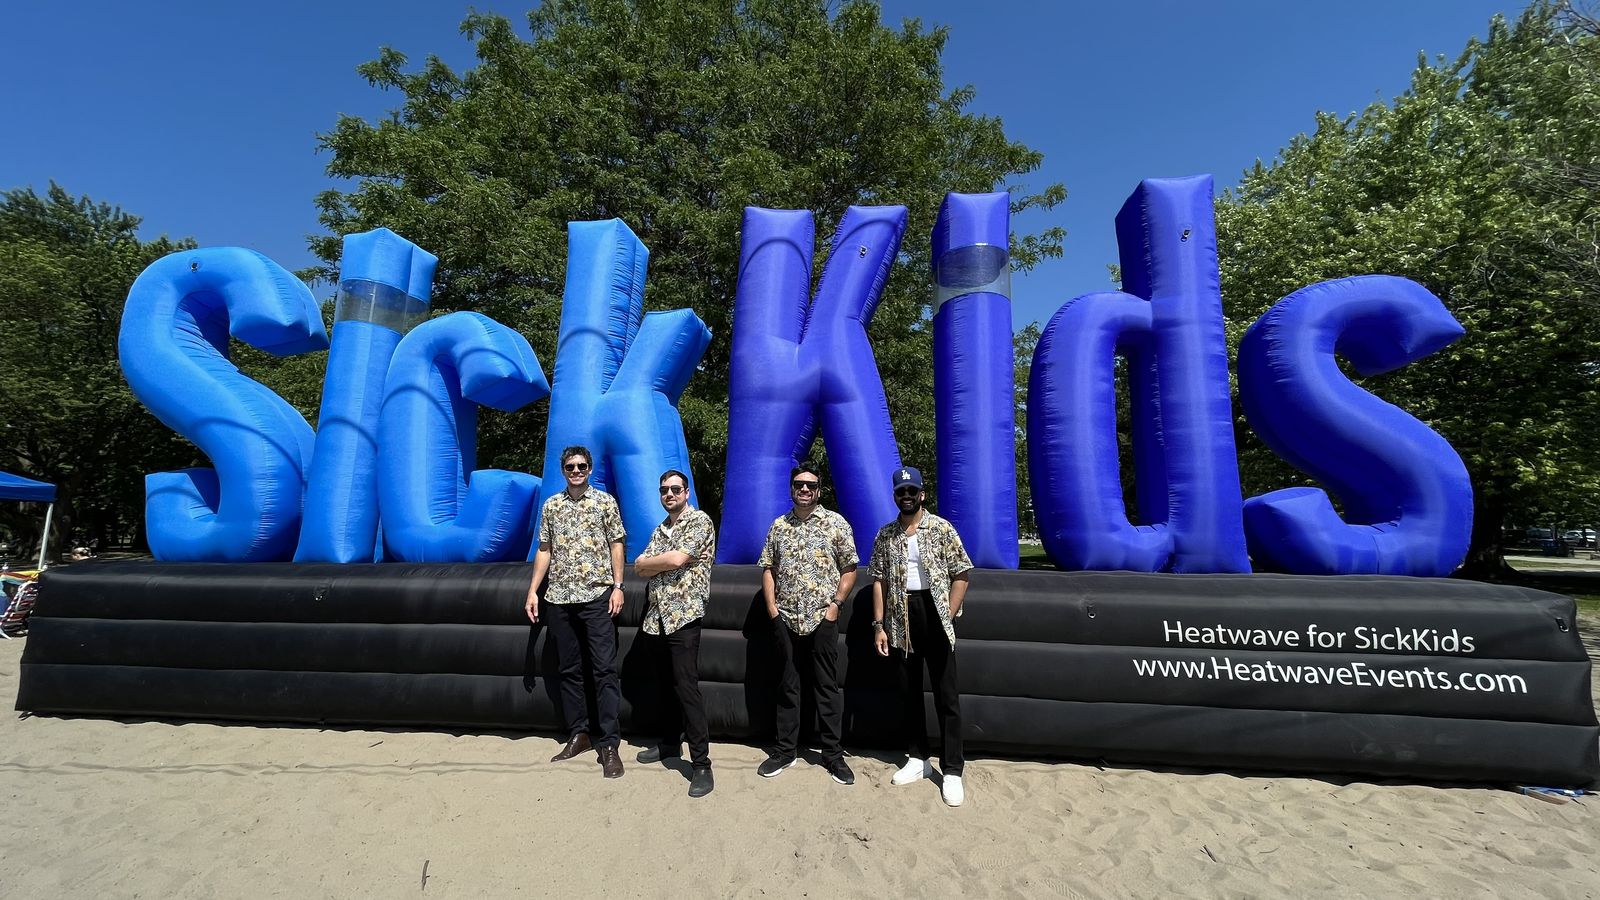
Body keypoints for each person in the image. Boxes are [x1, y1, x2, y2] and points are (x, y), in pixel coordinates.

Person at [868, 466, 973, 807]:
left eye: (912, 490)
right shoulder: (886, 535)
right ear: (895, 496)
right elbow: (879, 581)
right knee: (909, 691)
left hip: (934, 612)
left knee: (946, 695)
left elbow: (961, 572)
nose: (907, 496)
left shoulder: (941, 527)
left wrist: (948, 613)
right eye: (901, 492)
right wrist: (879, 625)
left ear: (922, 494)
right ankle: (918, 759)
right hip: (901, 616)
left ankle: (953, 769)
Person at [524, 445, 627, 778]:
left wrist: (618, 586)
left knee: (603, 670)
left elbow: (617, 543)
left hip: (597, 596)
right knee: (569, 669)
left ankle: (609, 743)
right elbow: (544, 549)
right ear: (563, 470)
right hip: (559, 598)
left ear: (590, 468)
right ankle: (579, 733)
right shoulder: (552, 506)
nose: (577, 471)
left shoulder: (605, 503)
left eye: (582, 466)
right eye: (570, 466)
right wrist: (532, 591)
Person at [756, 462, 858, 785]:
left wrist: (835, 607)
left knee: (827, 687)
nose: (804, 489)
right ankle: (786, 751)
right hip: (785, 618)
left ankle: (832, 754)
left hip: (821, 619)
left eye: (810, 485)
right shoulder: (778, 526)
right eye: (799, 484)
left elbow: (850, 567)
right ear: (791, 488)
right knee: (788, 685)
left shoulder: (835, 524)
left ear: (818, 490)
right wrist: (772, 609)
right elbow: (768, 568)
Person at [632, 469, 717, 798]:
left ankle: (701, 764)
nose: (669, 494)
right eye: (664, 490)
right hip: (655, 618)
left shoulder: (699, 521)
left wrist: (656, 561)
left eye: (675, 489)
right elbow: (639, 565)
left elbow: (679, 557)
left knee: (686, 688)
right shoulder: (661, 528)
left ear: (686, 492)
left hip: (683, 617)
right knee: (664, 687)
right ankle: (669, 743)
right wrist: (656, 562)